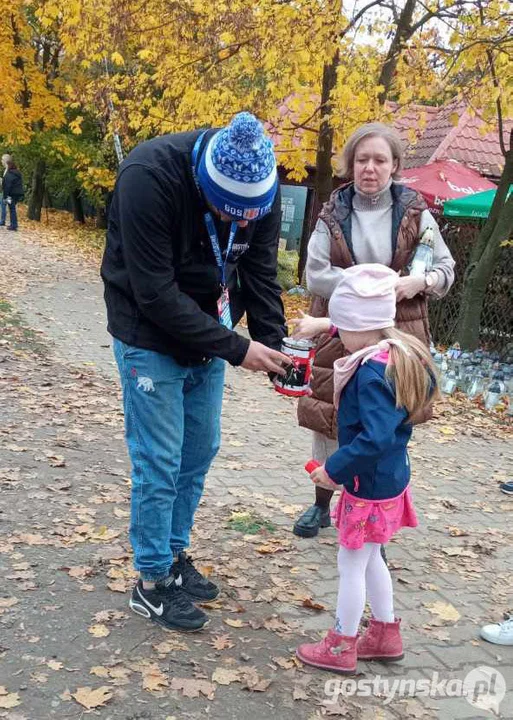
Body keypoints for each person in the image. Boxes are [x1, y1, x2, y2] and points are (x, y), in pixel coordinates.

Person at [101, 112, 289, 632]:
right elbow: (154, 294)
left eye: (246, 218)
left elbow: (259, 270)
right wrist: (237, 348)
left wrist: (274, 348)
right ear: (203, 181)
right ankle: (153, 581)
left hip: (210, 327)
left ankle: (174, 554)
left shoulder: (260, 191)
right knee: (159, 457)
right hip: (147, 329)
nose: (237, 226)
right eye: (225, 214)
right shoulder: (148, 177)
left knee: (199, 449)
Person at [292, 122, 454, 539]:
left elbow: (445, 269)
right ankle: (321, 505)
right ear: (350, 165)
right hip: (342, 329)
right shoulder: (333, 213)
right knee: (331, 418)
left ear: (395, 165)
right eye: (362, 159)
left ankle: (376, 514)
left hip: (399, 329)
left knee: (389, 422)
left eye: (380, 160)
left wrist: (420, 282)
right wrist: (372, 284)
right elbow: (315, 274)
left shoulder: (418, 213)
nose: (370, 168)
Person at [296, 264, 439, 673]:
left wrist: (334, 469)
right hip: (391, 477)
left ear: (362, 324)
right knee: (373, 556)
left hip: (368, 483)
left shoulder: (370, 374)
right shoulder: (395, 350)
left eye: (343, 327)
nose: (339, 338)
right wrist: (326, 325)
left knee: (351, 563)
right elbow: (353, 325)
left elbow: (374, 438)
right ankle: (384, 633)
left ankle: (341, 644)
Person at [1, 158, 23, 231]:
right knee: (13, 208)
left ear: (8, 166)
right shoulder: (18, 173)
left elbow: (7, 186)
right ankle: (14, 224)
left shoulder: (9, 174)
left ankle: (14, 225)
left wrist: (5, 197)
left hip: (10, 194)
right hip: (18, 194)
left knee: (12, 209)